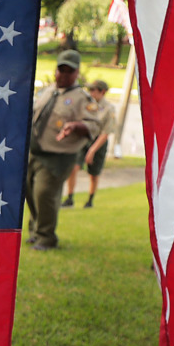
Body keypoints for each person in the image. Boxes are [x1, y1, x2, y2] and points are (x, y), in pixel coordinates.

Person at [24, 50, 103, 250]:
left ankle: (46, 238)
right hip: (34, 151)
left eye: (69, 71)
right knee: (30, 192)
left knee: (44, 194)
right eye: (61, 70)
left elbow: (94, 125)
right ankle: (35, 230)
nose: (64, 75)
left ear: (76, 73)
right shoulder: (48, 91)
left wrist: (76, 126)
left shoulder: (82, 99)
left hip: (58, 156)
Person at [62, 79, 115, 208]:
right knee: (73, 167)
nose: (90, 92)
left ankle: (90, 200)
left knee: (94, 174)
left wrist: (92, 150)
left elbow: (106, 132)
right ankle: (70, 198)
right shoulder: (85, 104)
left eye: (93, 90)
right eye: (89, 89)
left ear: (102, 92)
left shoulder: (108, 109)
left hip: (98, 141)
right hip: (83, 139)